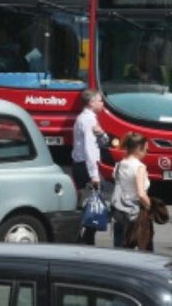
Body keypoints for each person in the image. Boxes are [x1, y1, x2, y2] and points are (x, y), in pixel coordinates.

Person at [70, 89, 105, 245]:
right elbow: (89, 149)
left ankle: (84, 237)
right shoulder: (88, 120)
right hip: (85, 166)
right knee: (91, 204)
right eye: (99, 100)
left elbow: (102, 141)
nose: (102, 103)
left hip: (81, 165)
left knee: (87, 202)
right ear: (91, 103)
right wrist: (94, 174)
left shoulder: (86, 118)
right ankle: (84, 238)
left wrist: (102, 134)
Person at [109, 132, 151, 249]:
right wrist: (150, 207)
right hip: (134, 214)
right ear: (138, 149)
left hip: (118, 211)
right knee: (138, 250)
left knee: (119, 248)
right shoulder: (139, 167)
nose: (146, 153)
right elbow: (141, 194)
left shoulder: (118, 165)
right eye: (145, 150)